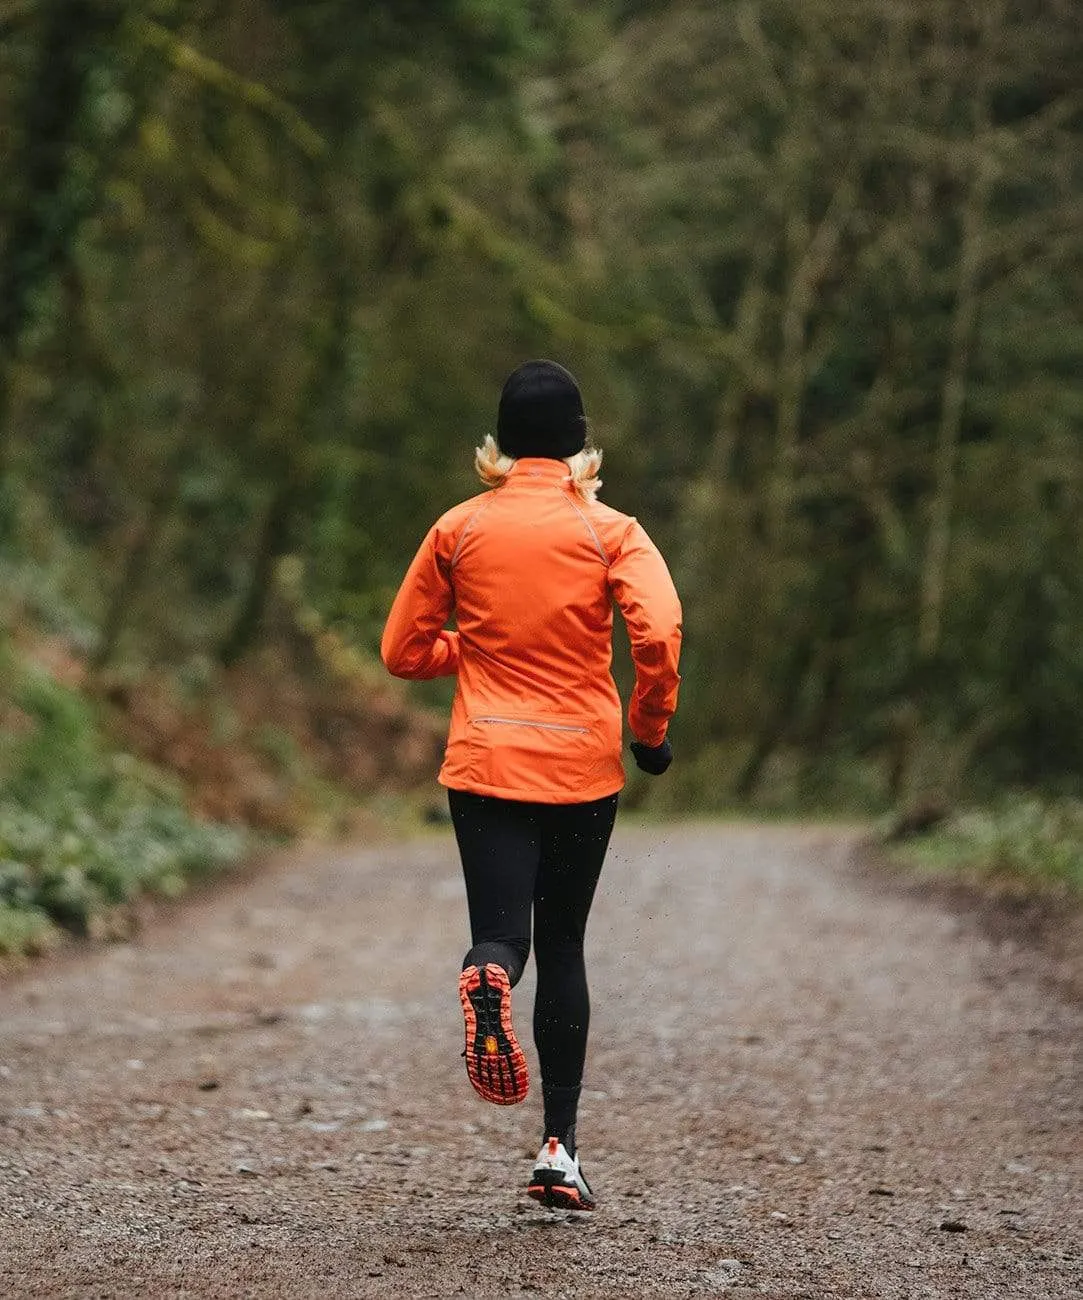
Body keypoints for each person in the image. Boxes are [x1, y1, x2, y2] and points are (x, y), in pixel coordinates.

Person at [381, 360, 682, 1211]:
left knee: (504, 939)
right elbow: (657, 630)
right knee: (565, 946)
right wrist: (649, 732)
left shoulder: (458, 528)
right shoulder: (611, 531)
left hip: (484, 762)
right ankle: (558, 1150)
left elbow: (403, 649)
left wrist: (468, 652)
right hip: (581, 767)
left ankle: (484, 974)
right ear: (581, 443)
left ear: (501, 446)